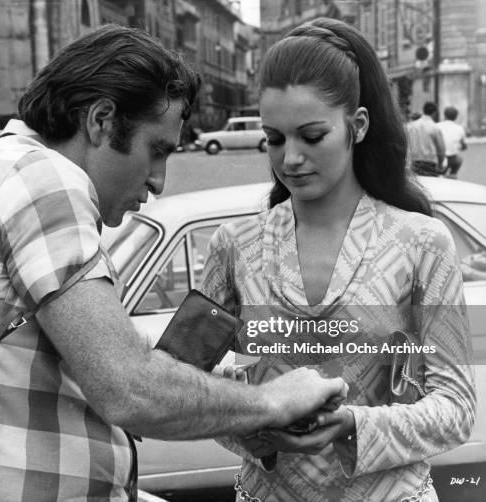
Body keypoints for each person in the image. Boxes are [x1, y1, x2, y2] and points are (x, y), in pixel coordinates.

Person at [0, 25, 348, 501]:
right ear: (102, 120)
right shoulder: (44, 179)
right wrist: (272, 400)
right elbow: (128, 388)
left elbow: (91, 358)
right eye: (158, 150)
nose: (159, 182)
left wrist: (233, 394)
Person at [200, 17, 475, 502]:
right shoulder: (233, 245)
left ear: (358, 125)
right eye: (276, 139)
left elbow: (455, 407)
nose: (290, 160)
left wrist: (353, 424)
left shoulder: (421, 243)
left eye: (311, 136)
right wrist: (255, 416)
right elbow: (182, 382)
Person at [406, 101, 446, 176]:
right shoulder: (434, 127)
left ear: (423, 110)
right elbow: (441, 150)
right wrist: (440, 165)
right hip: (429, 163)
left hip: (413, 162)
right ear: (435, 112)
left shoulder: (410, 126)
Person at [437, 105, 467, 179]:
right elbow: (464, 145)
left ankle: (441, 175)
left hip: (439, 157)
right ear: (456, 117)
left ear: (444, 115)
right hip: (452, 158)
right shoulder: (459, 128)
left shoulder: (437, 126)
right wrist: (460, 147)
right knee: (459, 160)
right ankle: (452, 174)